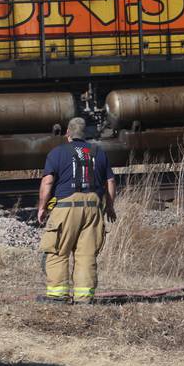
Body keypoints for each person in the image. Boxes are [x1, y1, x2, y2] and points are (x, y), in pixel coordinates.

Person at [37, 117, 117, 303]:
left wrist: (42, 207)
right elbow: (111, 181)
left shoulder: (57, 152)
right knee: (86, 254)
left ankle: (57, 296)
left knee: (58, 251)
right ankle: (84, 298)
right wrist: (110, 207)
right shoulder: (98, 152)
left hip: (66, 206)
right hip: (93, 208)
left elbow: (48, 181)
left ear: (68, 134)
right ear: (85, 135)